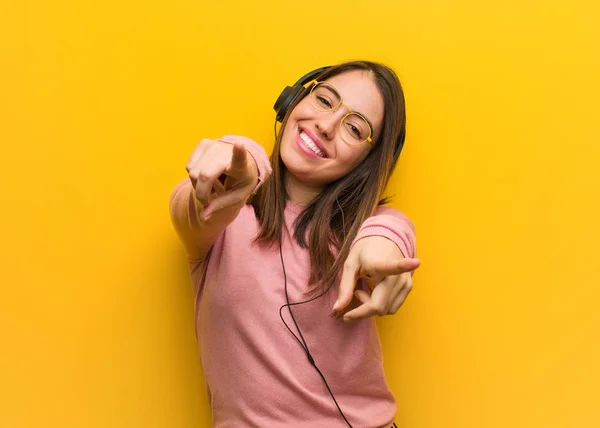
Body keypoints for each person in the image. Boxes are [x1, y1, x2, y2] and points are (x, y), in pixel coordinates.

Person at [169, 60, 420, 428]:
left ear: (367, 162)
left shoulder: (367, 231)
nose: (326, 125)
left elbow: (390, 232)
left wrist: (384, 248)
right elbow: (189, 204)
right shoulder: (221, 220)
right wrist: (244, 160)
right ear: (292, 101)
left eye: (354, 128)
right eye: (323, 100)